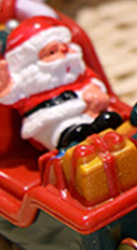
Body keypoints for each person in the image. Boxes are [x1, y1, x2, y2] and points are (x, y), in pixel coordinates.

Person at [0, 16, 122, 151]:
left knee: (108, 119)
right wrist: (4, 87)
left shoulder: (75, 68)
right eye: (52, 51)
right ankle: (69, 138)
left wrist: (95, 89)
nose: (64, 53)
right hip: (51, 121)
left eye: (65, 47)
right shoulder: (28, 81)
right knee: (75, 132)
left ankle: (101, 126)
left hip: (88, 110)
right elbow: (11, 94)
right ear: (30, 63)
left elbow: (91, 79)